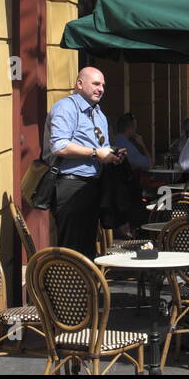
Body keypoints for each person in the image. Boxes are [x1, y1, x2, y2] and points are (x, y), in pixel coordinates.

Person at [46, 67, 122, 259]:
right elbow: (59, 146)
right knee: (72, 251)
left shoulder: (98, 112)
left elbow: (99, 147)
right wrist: (96, 153)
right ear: (80, 84)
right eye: (96, 84)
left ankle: (86, 288)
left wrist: (112, 154)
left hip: (93, 186)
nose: (101, 89)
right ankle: (66, 288)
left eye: (103, 85)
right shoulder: (66, 107)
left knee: (87, 248)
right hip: (71, 185)